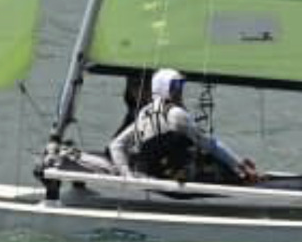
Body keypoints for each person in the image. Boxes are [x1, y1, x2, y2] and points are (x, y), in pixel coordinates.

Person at [109, 67, 261, 183]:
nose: (180, 91)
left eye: (181, 85)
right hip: (174, 180)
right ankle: (244, 178)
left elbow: (116, 145)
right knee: (215, 161)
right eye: (175, 86)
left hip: (150, 175)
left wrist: (126, 175)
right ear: (164, 88)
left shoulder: (145, 113)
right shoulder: (177, 114)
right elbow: (211, 144)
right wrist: (240, 165)